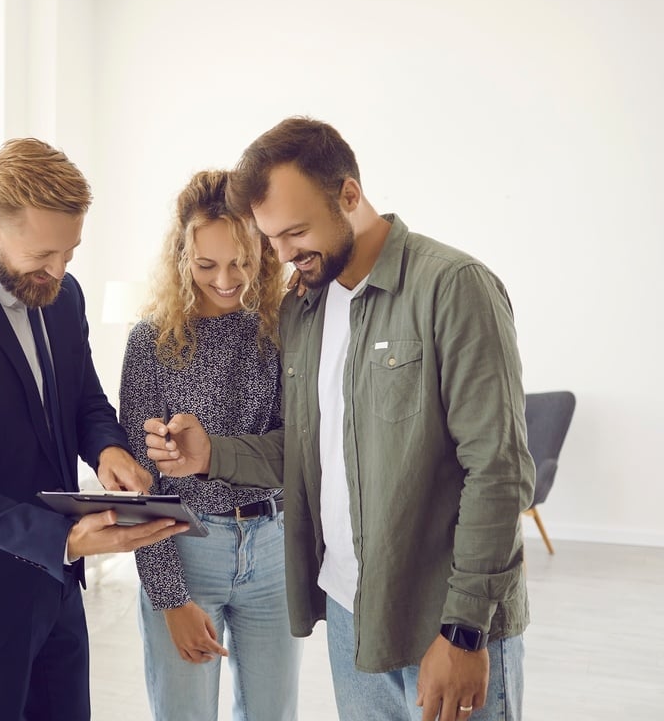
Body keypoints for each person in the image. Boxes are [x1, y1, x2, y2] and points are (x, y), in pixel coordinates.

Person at [144, 118, 535, 721]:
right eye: (270, 238)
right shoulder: (306, 310)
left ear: (349, 196)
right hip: (351, 616)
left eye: (295, 232)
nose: (283, 256)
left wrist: (464, 633)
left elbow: (499, 472)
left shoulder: (453, 287)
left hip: (444, 619)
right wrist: (211, 454)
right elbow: (308, 453)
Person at [0, 137, 188, 721]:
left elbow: (83, 399)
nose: (57, 271)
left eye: (70, 253)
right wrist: (66, 539)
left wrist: (107, 448)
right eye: (43, 256)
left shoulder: (64, 296)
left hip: (57, 591)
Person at [119, 170, 302, 720]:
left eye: (241, 262)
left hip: (271, 547)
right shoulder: (149, 342)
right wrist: (171, 598)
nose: (227, 280)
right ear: (181, 257)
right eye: (206, 265)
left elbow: (296, 446)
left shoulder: (278, 327)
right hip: (184, 547)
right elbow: (137, 490)